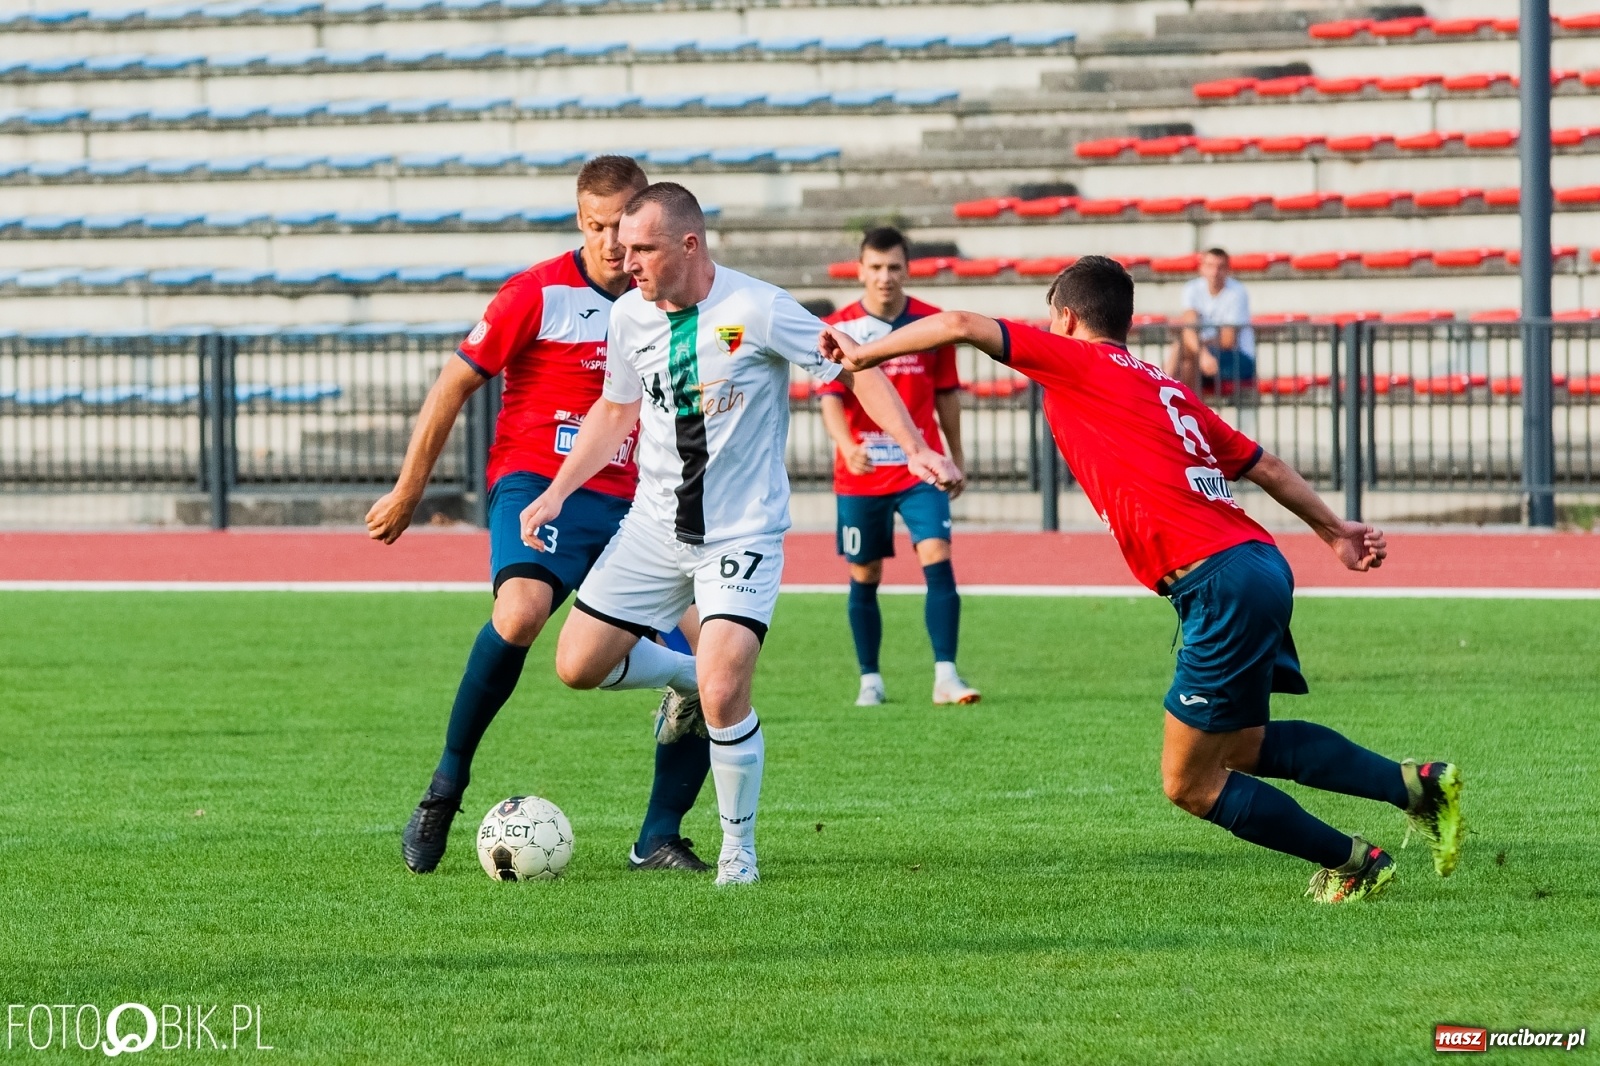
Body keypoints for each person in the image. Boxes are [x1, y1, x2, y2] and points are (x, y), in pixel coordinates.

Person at [822, 255, 1465, 904]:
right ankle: (1415, 787)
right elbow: (1263, 465)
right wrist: (1332, 530)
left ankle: (1357, 861)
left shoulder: (1078, 362)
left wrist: (863, 355)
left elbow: (959, 321)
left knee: (1189, 784)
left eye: (1051, 318)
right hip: (1257, 564)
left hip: (1217, 581)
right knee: (1241, 745)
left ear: (1066, 318)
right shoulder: (1164, 387)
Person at [517, 182, 963, 885]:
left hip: (742, 534)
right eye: (623, 247)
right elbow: (614, 410)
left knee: (728, 694)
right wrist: (556, 491)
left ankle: (737, 851)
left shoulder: (756, 307)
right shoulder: (630, 316)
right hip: (654, 528)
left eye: (643, 248)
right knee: (577, 667)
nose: (625, 261)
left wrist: (913, 446)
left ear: (689, 245)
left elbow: (849, 365)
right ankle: (686, 677)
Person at [368, 156, 714, 877]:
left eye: (621, 229)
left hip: (639, 502)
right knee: (521, 612)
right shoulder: (538, 292)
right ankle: (445, 788)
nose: (610, 246)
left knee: (718, 663)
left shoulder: (673, 297)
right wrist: (409, 490)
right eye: (593, 229)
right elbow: (453, 383)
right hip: (538, 484)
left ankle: (657, 836)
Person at [821, 226, 978, 707]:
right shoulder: (839, 324)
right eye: (875, 267)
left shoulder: (933, 324)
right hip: (863, 473)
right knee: (865, 574)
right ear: (861, 269)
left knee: (938, 556)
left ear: (907, 269)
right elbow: (829, 396)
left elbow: (948, 395)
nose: (885, 277)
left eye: (894, 267)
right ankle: (870, 678)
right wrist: (847, 446)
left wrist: (955, 454)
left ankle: (946, 675)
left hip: (921, 469)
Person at [1166, 248, 1256, 394]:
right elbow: (1189, 326)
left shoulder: (1237, 292)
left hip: (1238, 358)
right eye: (1210, 266)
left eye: (1220, 267)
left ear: (1228, 270)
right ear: (1201, 268)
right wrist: (1202, 353)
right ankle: (1190, 409)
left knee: (1185, 352)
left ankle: (1164, 384)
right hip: (1207, 355)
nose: (1214, 272)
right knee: (1187, 361)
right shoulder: (1192, 289)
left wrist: (1199, 350)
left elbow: (1228, 341)